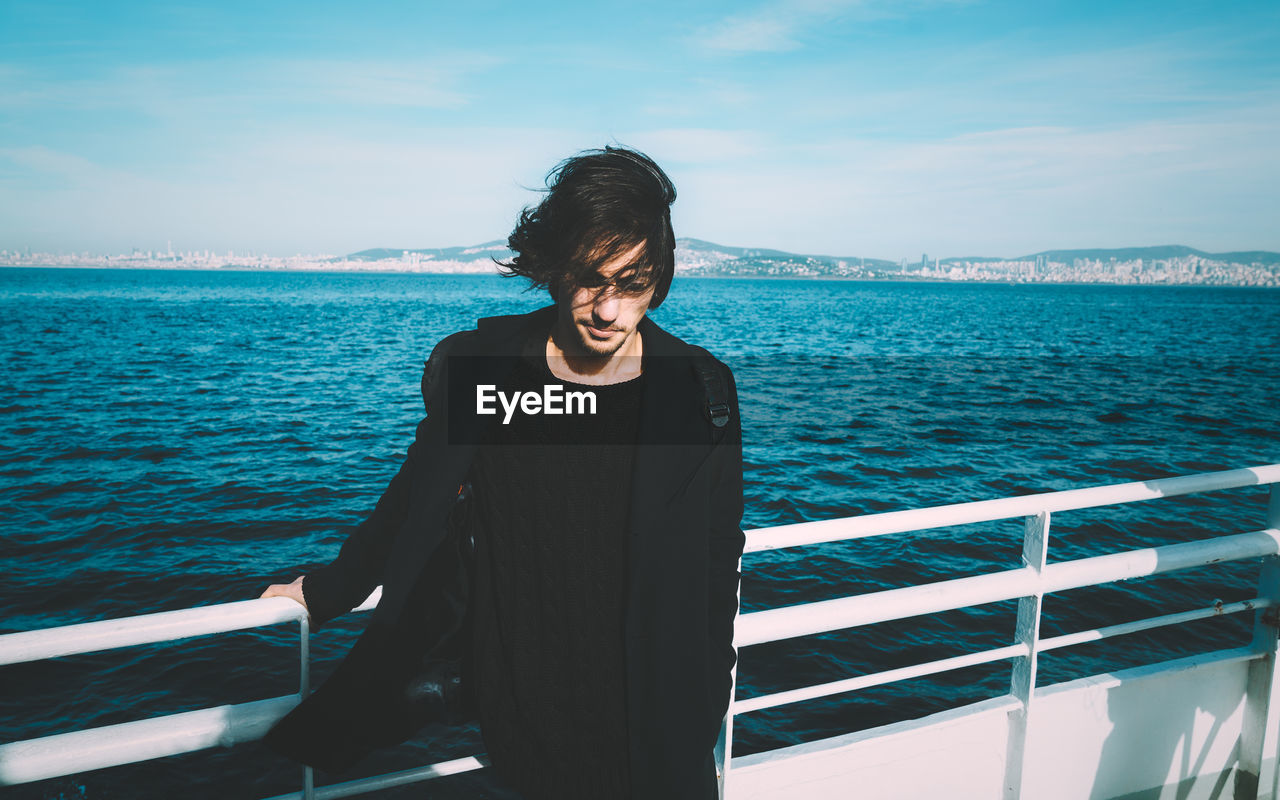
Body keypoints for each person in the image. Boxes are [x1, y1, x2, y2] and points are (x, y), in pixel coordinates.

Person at [259, 146, 744, 800]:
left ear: (659, 278)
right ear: (552, 269)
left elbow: (717, 555)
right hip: (525, 718)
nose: (608, 310)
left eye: (632, 283)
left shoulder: (697, 390)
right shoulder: (492, 371)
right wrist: (325, 592)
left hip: (653, 724)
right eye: (589, 279)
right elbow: (412, 502)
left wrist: (706, 694)